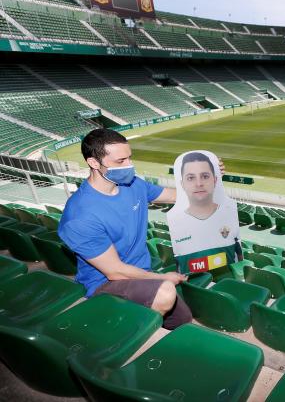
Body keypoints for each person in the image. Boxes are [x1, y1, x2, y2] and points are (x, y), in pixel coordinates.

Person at [58, 129, 222, 330]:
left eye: (129, 158)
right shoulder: (80, 216)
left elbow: (173, 195)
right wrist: (163, 278)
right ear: (93, 163)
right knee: (165, 292)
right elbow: (115, 272)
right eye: (120, 161)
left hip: (140, 271)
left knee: (182, 320)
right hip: (104, 283)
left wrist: (204, 180)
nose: (129, 166)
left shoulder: (132, 184)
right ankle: (127, 333)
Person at [166, 151, 240, 274]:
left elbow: (239, 258)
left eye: (205, 176)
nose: (199, 183)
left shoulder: (229, 213)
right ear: (182, 184)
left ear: (215, 180)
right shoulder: (176, 222)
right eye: (191, 178)